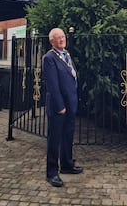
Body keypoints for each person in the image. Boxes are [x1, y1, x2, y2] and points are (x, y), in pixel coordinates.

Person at [42, 27, 83, 187]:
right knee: (55, 139)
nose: (62, 39)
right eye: (58, 38)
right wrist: (60, 106)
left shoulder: (66, 54)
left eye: (63, 36)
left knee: (68, 136)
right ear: (52, 41)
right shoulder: (49, 58)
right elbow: (53, 86)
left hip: (70, 103)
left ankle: (66, 164)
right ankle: (52, 172)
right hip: (59, 107)